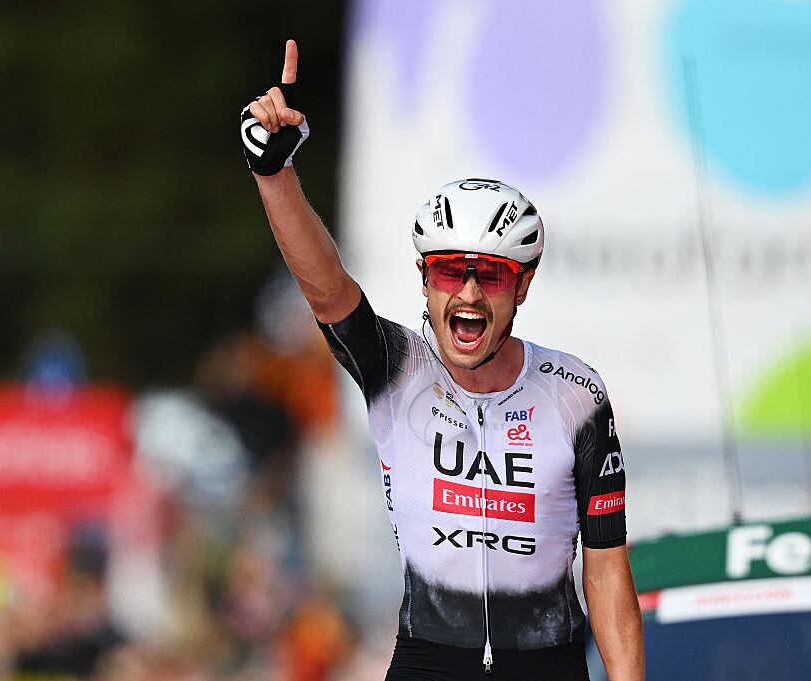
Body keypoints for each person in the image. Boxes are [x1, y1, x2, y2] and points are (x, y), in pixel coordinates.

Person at [240, 40, 644, 681]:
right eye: (452, 272)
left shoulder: (576, 394)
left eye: (493, 275)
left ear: (523, 286)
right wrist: (274, 173)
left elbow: (607, 569)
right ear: (426, 280)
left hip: (547, 664)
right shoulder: (398, 369)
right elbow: (326, 289)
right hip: (428, 661)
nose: (470, 295)